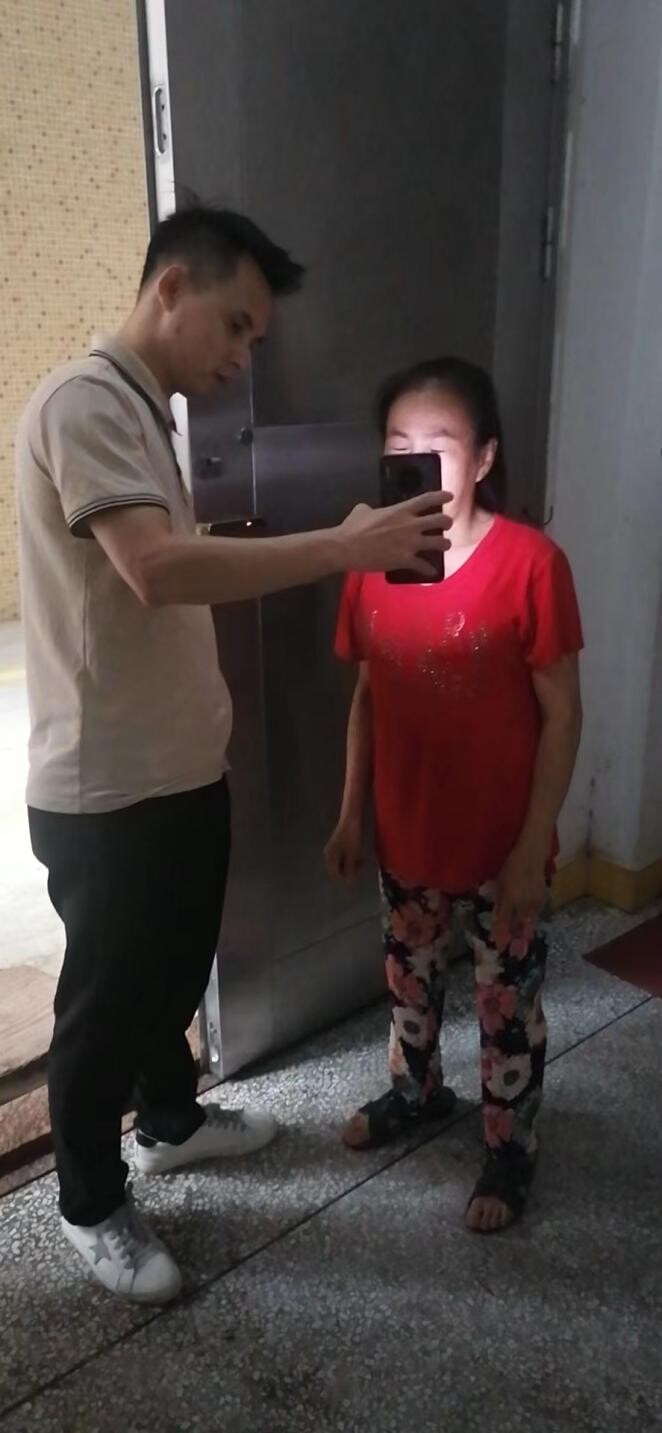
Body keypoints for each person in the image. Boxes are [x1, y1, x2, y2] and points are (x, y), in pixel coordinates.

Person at [16, 207, 451, 1304]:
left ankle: (169, 1121)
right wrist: (341, 545)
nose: (243, 354)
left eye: (255, 336)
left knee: (167, 972)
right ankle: (89, 1202)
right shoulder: (81, 403)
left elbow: (164, 563)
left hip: (175, 767)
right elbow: (155, 569)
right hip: (107, 787)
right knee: (107, 1002)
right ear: (171, 287)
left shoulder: (139, 413)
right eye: (236, 324)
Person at [325, 356, 583, 1233]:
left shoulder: (532, 564)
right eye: (400, 443)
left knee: (507, 1009)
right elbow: (367, 698)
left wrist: (532, 845)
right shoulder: (368, 563)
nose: (417, 459)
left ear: (483, 458)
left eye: (439, 443)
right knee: (410, 986)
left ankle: (510, 1146)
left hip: (502, 849)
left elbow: (563, 713)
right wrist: (350, 812)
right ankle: (417, 1091)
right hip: (407, 839)